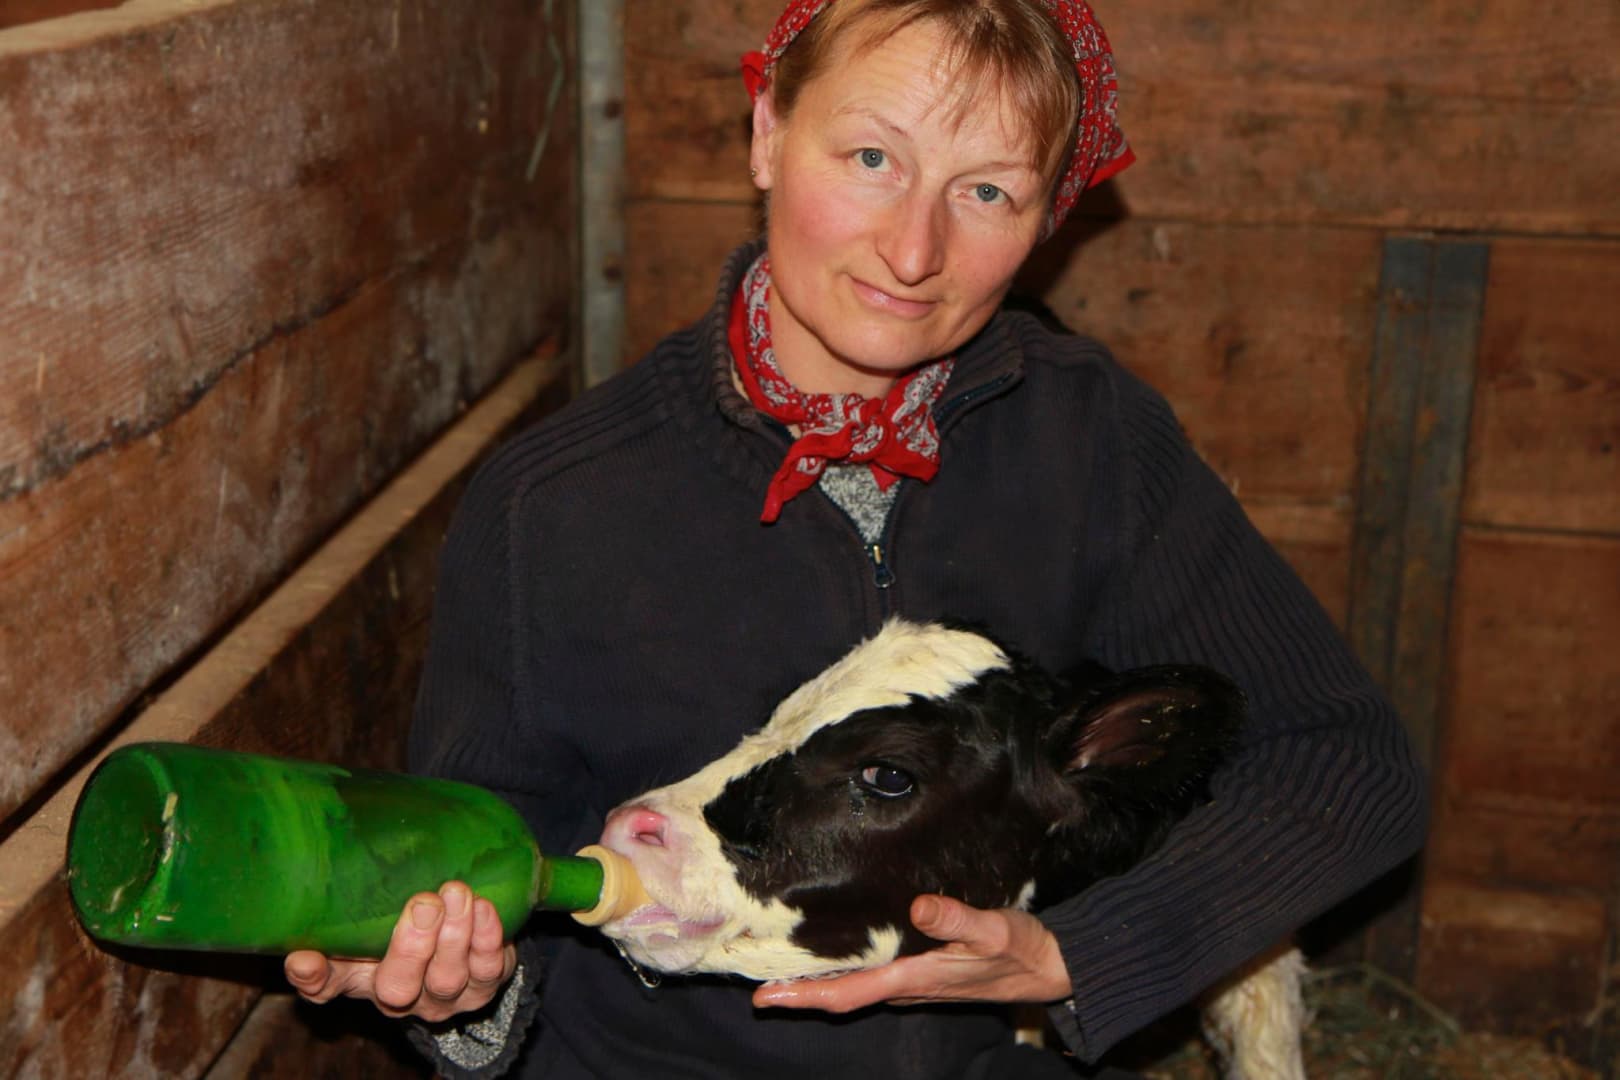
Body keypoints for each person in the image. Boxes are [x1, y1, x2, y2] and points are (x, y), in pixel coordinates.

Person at [285, 1, 1428, 1076]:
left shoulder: (1091, 442)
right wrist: (460, 995)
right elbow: (485, 882)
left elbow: (1346, 758)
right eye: (872, 158)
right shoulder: (553, 505)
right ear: (768, 134)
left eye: (988, 192)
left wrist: (1082, 955)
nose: (914, 250)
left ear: (1049, 218)